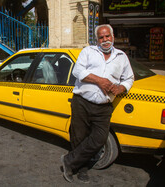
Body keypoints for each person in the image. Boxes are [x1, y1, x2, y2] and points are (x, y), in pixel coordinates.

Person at [61, 24, 134, 183]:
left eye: (107, 36)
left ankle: (68, 161)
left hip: (104, 107)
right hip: (82, 102)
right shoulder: (88, 51)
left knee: (99, 139)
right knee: (79, 137)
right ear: (97, 39)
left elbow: (129, 78)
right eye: (101, 37)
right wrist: (100, 81)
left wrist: (121, 87)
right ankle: (82, 169)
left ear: (112, 37)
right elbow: (77, 71)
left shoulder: (121, 57)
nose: (105, 40)